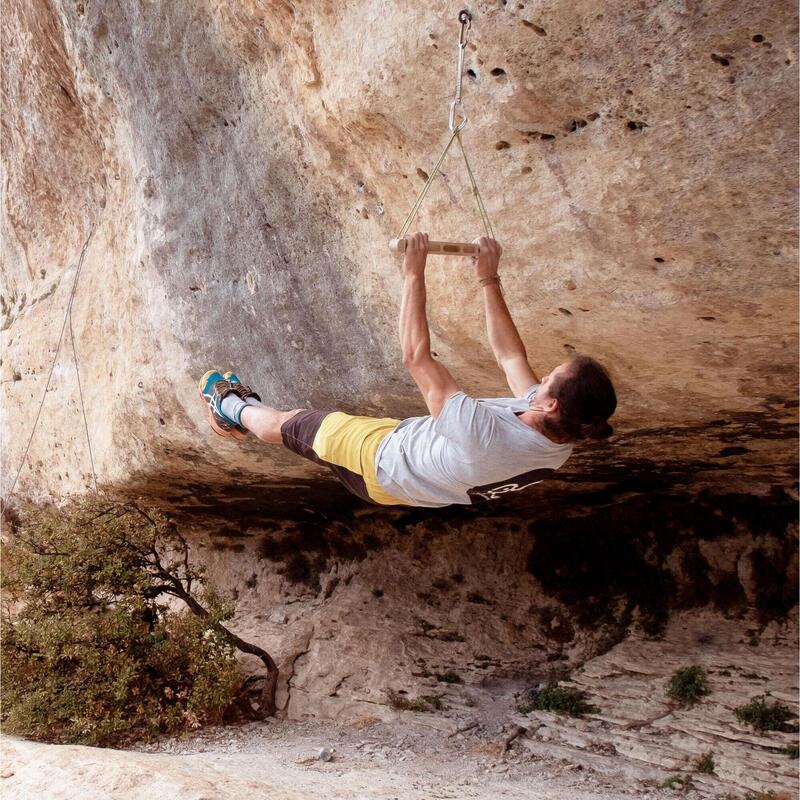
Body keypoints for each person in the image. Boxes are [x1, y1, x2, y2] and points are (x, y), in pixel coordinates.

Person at [199, 233, 617, 508]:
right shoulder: (559, 438)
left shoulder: (485, 436)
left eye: (547, 380)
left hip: (380, 460)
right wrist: (489, 280)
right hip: (406, 473)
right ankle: (238, 412)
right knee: (306, 435)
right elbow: (510, 357)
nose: (539, 379)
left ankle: (230, 409)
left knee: (293, 425)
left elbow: (416, 358)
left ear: (552, 403)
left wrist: (413, 272)